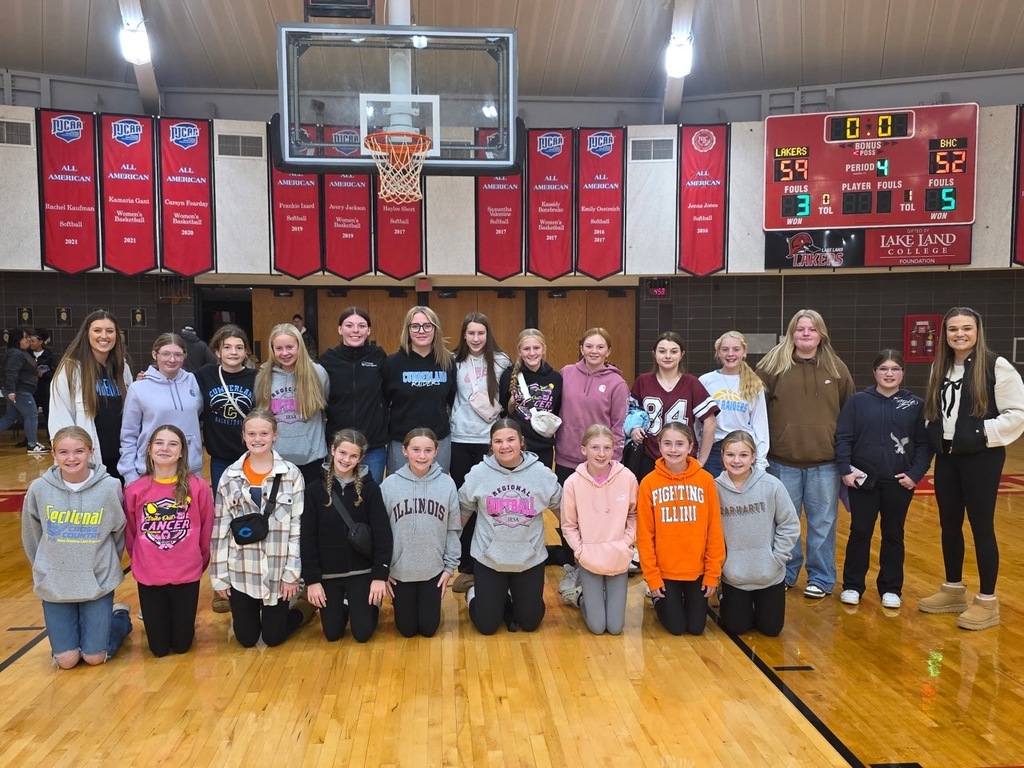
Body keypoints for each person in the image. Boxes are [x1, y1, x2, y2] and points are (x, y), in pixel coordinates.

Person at [918, 307, 1024, 630]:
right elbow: (935, 409)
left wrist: (980, 434)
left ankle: (987, 601)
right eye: (952, 329)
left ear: (977, 330)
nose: (959, 334)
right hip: (948, 458)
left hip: (982, 458)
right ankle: (953, 590)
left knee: (981, 526)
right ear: (945, 335)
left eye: (966, 328)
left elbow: (1017, 413)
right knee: (949, 524)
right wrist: (933, 431)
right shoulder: (940, 366)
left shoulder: (997, 366)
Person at [756, 309, 854, 599]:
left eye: (812, 329)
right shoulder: (772, 365)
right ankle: (784, 573)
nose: (806, 334)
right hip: (782, 461)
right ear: (792, 333)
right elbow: (754, 407)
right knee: (784, 524)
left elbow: (849, 413)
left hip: (826, 463)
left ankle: (821, 578)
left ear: (821, 333)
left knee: (822, 524)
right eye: (800, 329)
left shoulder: (837, 369)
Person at [21, 426, 132, 667]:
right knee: (67, 660)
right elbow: (32, 535)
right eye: (64, 452)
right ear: (54, 454)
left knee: (94, 657)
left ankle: (119, 617)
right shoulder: (38, 489)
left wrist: (103, 567)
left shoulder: (110, 487)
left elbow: (117, 534)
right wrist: (46, 568)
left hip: (97, 581)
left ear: (91, 452)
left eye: (79, 451)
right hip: (56, 582)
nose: (71, 458)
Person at [835, 350, 932, 609]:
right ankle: (853, 586)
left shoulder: (915, 405)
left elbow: (924, 444)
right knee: (860, 531)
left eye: (895, 369)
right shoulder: (858, 401)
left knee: (893, 534)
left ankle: (891, 588)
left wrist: (915, 475)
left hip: (898, 482)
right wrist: (845, 469)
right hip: (863, 481)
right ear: (875, 372)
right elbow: (843, 437)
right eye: (884, 368)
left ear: (902, 373)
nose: (889, 373)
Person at [211, 409, 313, 647]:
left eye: (264, 433)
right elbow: (220, 528)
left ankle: (302, 609)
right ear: (244, 436)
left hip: (277, 571)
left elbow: (297, 527)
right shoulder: (229, 477)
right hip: (241, 570)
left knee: (273, 637)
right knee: (246, 639)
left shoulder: (292, 475)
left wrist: (292, 575)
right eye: (252, 434)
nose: (258, 439)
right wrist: (219, 577)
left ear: (275, 435)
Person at [458, 418, 563, 635]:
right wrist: (447, 547)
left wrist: (580, 543)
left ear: (521, 441)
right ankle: (474, 591)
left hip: (528, 559)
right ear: (491, 445)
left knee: (530, 622)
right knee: (486, 626)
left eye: (510, 440)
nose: (505, 446)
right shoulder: (478, 474)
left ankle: (515, 596)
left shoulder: (542, 475)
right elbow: (462, 514)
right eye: (498, 441)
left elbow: (564, 513)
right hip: (489, 559)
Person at [124, 425, 214, 656]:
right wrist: (142, 562)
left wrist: (198, 562)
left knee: (182, 646)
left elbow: (206, 531)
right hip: (150, 575)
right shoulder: (135, 490)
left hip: (186, 574)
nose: (165, 448)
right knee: (159, 649)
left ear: (182, 452)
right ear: (149, 449)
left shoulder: (198, 487)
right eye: (159, 443)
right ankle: (119, 617)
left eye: (172, 444)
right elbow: (132, 534)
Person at [301, 428, 392, 643]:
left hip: (362, 572)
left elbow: (382, 534)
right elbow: (307, 537)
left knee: (362, 634)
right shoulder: (314, 490)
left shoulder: (370, 490)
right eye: (342, 453)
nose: (346, 459)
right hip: (329, 575)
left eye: (353, 456)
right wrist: (312, 580)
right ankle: (344, 603)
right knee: (332, 634)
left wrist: (379, 575)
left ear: (361, 458)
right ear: (332, 450)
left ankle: (370, 605)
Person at [636, 422, 724, 636]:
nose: (673, 449)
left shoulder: (705, 481)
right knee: (676, 628)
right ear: (659, 446)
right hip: (665, 571)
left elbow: (714, 530)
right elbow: (645, 535)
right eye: (667, 443)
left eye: (679, 444)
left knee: (696, 628)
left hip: (697, 570)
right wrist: (653, 577)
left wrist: (712, 574)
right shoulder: (649, 483)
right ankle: (657, 598)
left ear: (691, 447)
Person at [714, 430, 799, 636]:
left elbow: (789, 524)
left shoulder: (772, 485)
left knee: (771, 630)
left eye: (743, 455)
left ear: (753, 457)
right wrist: (722, 565)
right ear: (722, 456)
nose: (736, 460)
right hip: (734, 575)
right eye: (730, 455)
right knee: (735, 628)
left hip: (769, 573)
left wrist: (777, 558)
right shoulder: (713, 489)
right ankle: (727, 599)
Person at [450, 313, 511, 594]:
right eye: (471, 333)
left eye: (481, 333)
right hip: (461, 439)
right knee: (466, 505)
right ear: (464, 335)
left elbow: (510, 400)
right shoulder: (454, 361)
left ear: (488, 335)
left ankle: (492, 560)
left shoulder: (501, 362)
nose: (476, 339)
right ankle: (466, 566)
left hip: (489, 441)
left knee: (491, 503)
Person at [380, 429, 461, 638]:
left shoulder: (447, 484)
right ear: (404, 450)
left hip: (433, 572)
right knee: (406, 630)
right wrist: (383, 570)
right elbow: (380, 532)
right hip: (400, 572)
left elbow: (453, 529)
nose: (422, 456)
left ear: (436, 452)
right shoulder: (389, 486)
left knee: (428, 629)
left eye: (428, 450)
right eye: (416, 450)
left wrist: (449, 568)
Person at [559, 424, 638, 635]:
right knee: (597, 627)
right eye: (595, 447)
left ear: (614, 450)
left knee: (615, 628)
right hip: (589, 558)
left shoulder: (628, 478)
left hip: (618, 557)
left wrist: (625, 542)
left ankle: (600, 602)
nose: (601, 454)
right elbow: (568, 525)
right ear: (584, 450)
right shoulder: (573, 483)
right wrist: (581, 550)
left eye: (607, 448)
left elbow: (635, 515)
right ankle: (582, 597)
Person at [49, 310, 133, 480]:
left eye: (110, 331)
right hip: (89, 462)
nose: (104, 336)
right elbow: (60, 419)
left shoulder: (122, 368)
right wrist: (72, 457)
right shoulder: (71, 369)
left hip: (122, 460)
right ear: (86, 334)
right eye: (97, 330)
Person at [629, 331, 720, 479]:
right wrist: (633, 428)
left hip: (682, 459)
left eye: (673, 351)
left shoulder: (692, 384)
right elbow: (630, 411)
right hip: (648, 457)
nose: (667, 356)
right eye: (662, 351)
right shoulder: (642, 382)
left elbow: (710, 422)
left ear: (682, 354)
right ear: (654, 354)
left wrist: (702, 460)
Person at [118, 333, 204, 485]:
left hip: (189, 468)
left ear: (184, 356)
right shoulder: (139, 388)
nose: (172, 359)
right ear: (154, 354)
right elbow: (129, 435)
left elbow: (197, 413)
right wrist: (130, 474)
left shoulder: (192, 381)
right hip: (151, 470)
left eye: (178, 354)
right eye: (166, 354)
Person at [382, 306, 456, 474]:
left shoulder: (447, 362)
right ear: (407, 330)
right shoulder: (392, 363)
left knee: (436, 494)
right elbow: (384, 403)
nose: (421, 331)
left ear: (435, 329)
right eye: (415, 326)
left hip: (439, 441)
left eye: (427, 326)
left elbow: (452, 401)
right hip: (402, 443)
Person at [319, 307, 389, 484]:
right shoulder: (328, 360)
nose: (355, 330)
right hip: (338, 446)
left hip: (372, 445)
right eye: (349, 325)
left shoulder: (378, 356)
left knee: (371, 495)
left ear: (369, 330)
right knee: (337, 496)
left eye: (361, 325)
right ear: (340, 329)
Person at [254, 323, 329, 486]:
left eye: (290, 347)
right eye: (279, 348)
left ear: (299, 346)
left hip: (312, 458)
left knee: (310, 509)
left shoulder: (318, 373)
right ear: (272, 349)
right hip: (275, 459)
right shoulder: (263, 377)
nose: (285, 353)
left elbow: (326, 408)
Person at [194, 324, 258, 492]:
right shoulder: (205, 374)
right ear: (217, 352)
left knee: (251, 503)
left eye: (239, 347)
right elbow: (178, 380)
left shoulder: (257, 378)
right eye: (227, 347)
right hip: (219, 457)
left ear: (246, 352)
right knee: (221, 506)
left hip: (251, 455)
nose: (234, 352)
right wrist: (149, 377)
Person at [699, 331, 768, 477]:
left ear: (744, 352)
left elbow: (760, 425)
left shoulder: (755, 384)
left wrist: (760, 462)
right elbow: (698, 422)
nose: (730, 354)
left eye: (736, 349)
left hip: (742, 449)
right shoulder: (706, 381)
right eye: (725, 349)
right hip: (713, 450)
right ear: (719, 352)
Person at [497, 328, 563, 468]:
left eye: (536, 348)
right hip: (515, 448)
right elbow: (503, 409)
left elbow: (555, 410)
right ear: (519, 351)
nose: (532, 353)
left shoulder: (555, 378)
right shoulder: (507, 376)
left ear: (544, 349)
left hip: (543, 447)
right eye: (527, 349)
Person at [0, 326, 47, 453]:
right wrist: (11, 391)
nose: (28, 340)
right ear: (17, 339)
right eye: (25, 337)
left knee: (9, 417)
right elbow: (11, 373)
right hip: (20, 391)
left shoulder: (22, 353)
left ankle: (33, 444)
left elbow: (23, 371)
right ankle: (32, 445)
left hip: (21, 390)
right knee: (31, 415)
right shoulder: (15, 354)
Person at [28, 328, 56, 430]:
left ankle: (51, 437)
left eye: (33, 341)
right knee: (30, 415)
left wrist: (44, 374)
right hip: (31, 390)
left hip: (45, 390)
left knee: (48, 414)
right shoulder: (27, 355)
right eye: (29, 341)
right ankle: (30, 439)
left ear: (41, 342)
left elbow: (54, 374)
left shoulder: (49, 356)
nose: (30, 343)